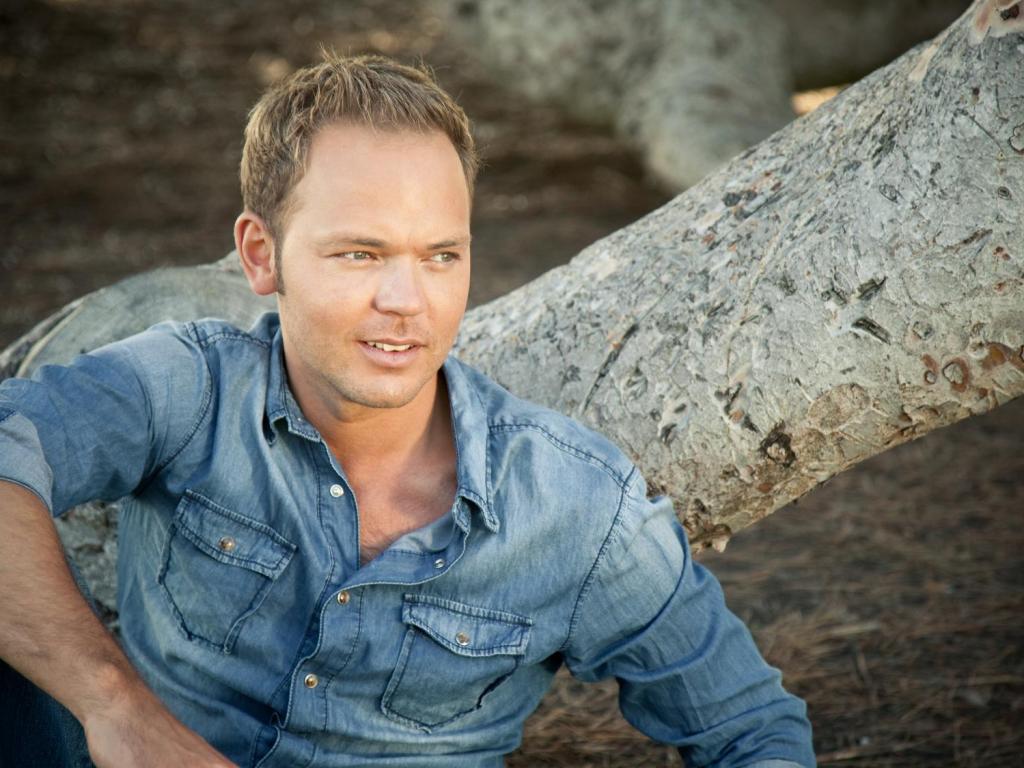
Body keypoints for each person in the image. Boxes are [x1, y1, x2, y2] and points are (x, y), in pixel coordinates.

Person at [0, 54, 814, 768]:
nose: (406, 301)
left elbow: (751, 728)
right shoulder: (191, 387)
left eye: (440, 256)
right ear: (261, 255)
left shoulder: (575, 506)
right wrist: (119, 710)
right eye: (361, 253)